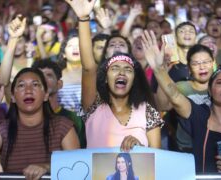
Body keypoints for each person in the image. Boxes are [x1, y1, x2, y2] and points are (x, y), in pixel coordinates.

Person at [141, 29, 221, 173]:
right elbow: (174, 97)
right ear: (210, 91)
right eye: (219, 83)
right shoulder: (199, 115)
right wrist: (159, 70)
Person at [65, 0, 163, 151]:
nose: (122, 72)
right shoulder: (93, 106)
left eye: (128, 70)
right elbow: (88, 69)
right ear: (105, 77)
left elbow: (158, 157)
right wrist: (84, 18)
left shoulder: (147, 110)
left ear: (134, 80)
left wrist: (140, 149)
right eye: (115, 68)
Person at [0, 68, 80, 179]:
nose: (28, 90)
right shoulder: (4, 128)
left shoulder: (62, 126)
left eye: (35, 85)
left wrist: (47, 167)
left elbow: (77, 166)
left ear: (46, 95)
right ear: (12, 97)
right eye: (21, 86)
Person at [32, 60, 86, 148]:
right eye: (39, 75)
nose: (43, 79)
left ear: (59, 84)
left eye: (49, 75)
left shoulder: (74, 119)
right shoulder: (27, 117)